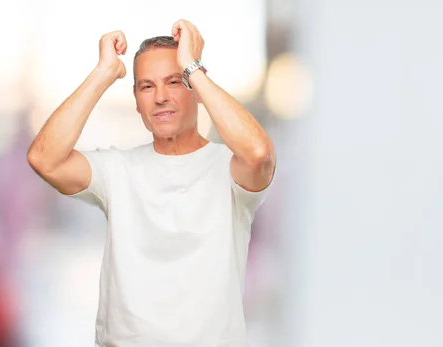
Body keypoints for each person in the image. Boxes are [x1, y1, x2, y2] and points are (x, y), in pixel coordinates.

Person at [27, 19, 276, 347]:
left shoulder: (228, 170)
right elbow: (45, 158)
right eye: (146, 86)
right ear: (136, 100)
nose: (160, 97)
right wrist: (103, 72)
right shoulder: (118, 170)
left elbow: (260, 154)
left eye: (174, 81)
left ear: (196, 89)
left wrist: (193, 67)